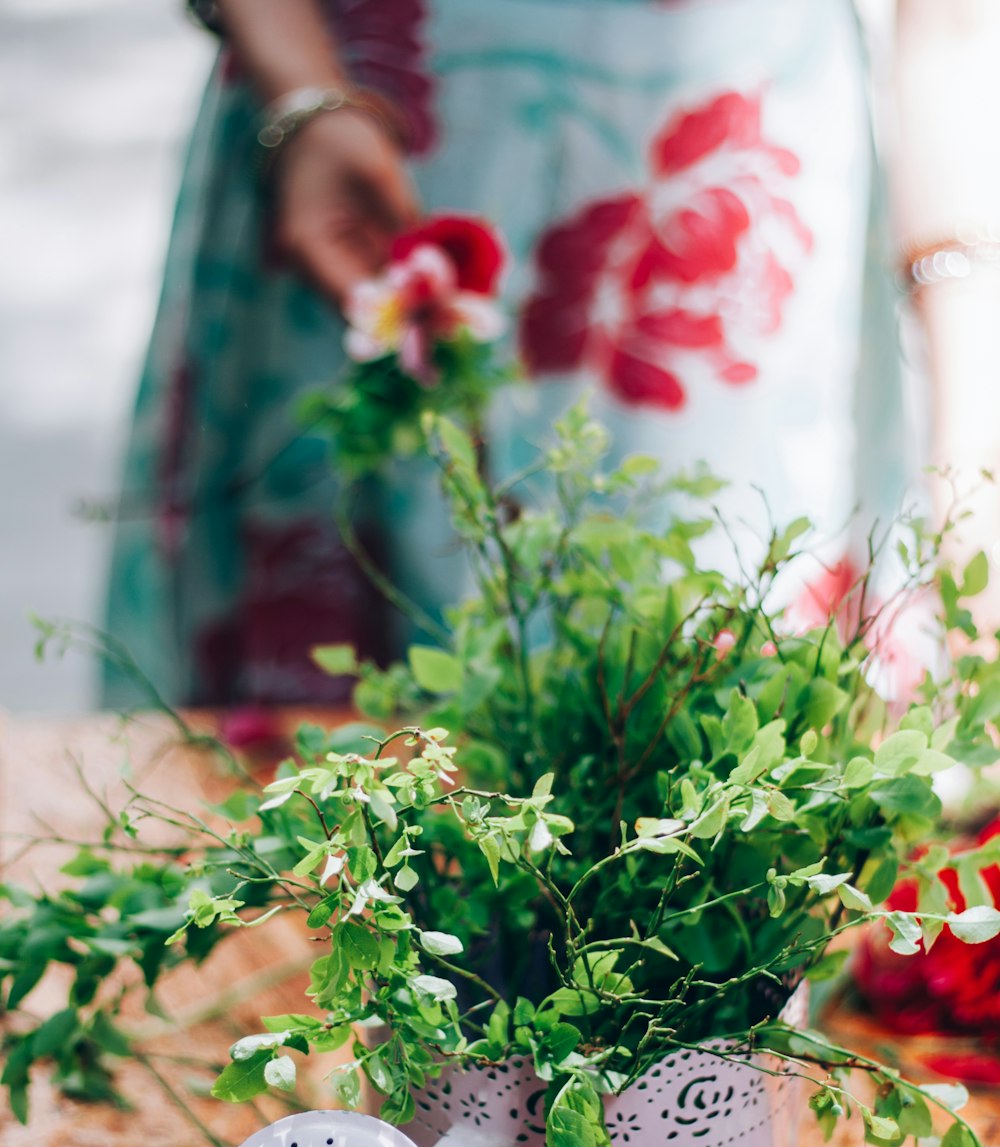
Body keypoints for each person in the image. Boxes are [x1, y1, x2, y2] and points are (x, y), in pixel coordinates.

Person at [101, 0, 1000, 708]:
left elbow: (953, 28)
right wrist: (298, 89)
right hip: (363, 156)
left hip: (721, 218)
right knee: (315, 830)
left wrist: (972, 429)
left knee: (716, 788)